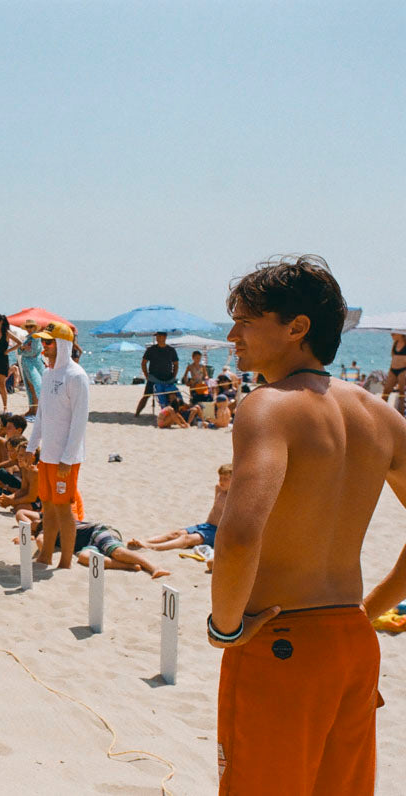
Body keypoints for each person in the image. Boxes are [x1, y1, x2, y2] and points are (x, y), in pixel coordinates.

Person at [205, 255, 406, 795]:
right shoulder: (382, 416)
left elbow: (241, 532)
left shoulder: (269, 406)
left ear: (297, 328)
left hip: (279, 640)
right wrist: (371, 608)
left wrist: (224, 625)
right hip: (352, 641)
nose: (232, 335)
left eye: (246, 321)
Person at [27, 322, 89, 568]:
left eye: (49, 342)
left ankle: (65, 561)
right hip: (47, 456)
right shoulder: (48, 373)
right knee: (48, 507)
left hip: (66, 458)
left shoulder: (77, 376)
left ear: (62, 344)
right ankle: (46, 556)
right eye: (43, 341)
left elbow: (79, 421)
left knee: (64, 509)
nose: (44, 346)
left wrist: (67, 457)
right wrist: (32, 447)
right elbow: (41, 414)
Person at [128, 463, 231, 551]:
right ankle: (144, 541)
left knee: (186, 539)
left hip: (218, 532)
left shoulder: (235, 497)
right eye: (220, 478)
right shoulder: (218, 489)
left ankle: (153, 546)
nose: (221, 481)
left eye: (225, 479)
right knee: (175, 533)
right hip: (206, 526)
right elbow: (215, 509)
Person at [27, 519, 169, 579]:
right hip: (86, 546)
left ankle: (153, 567)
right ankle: (130, 566)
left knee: (116, 551)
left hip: (97, 531)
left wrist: (38, 533)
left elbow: (41, 542)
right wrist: (35, 534)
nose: (33, 523)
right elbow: (42, 544)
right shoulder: (44, 532)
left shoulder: (53, 519)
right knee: (84, 558)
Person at [134, 331, 179, 416]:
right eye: (157, 337)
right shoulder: (151, 349)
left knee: (173, 396)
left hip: (168, 378)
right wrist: (146, 375)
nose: (157, 338)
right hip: (154, 377)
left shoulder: (171, 350)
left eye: (159, 336)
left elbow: (176, 364)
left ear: (164, 337)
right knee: (146, 396)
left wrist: (174, 376)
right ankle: (137, 414)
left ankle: (175, 413)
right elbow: (143, 363)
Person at [16, 319, 44, 417]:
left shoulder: (36, 337)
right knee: (29, 387)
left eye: (31, 326)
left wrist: (23, 349)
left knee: (35, 386)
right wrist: (23, 349)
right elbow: (19, 351)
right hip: (28, 364)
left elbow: (33, 352)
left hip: (33, 365)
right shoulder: (28, 338)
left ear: (35, 327)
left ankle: (35, 410)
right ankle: (32, 409)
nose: (29, 328)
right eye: (27, 327)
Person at [382, 332, 406, 409]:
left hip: (403, 370)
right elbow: (393, 358)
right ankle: (382, 409)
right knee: (386, 390)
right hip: (393, 370)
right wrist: (390, 370)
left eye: (394, 334)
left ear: (401, 334)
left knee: (402, 392)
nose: (391, 335)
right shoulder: (395, 344)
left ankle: (401, 412)